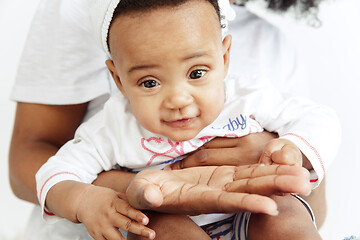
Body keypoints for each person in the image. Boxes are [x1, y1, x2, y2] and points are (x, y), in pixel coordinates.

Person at [9, 0, 336, 239]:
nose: (179, 99)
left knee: (285, 213)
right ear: (119, 81)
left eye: (196, 73)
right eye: (150, 82)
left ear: (224, 58)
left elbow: (318, 120)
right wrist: (84, 199)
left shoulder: (250, 96)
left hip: (251, 219)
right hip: (161, 217)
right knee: (156, 225)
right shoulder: (112, 128)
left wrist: (291, 149)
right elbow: (53, 170)